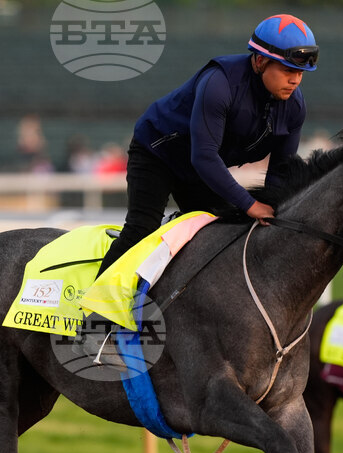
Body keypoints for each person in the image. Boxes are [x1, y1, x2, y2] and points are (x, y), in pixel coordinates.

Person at [95, 14, 319, 276]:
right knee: (141, 229)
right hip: (158, 152)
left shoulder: (295, 106)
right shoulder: (220, 83)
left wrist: (277, 213)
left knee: (220, 238)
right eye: (288, 70)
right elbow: (204, 157)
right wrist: (250, 204)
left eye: (301, 72)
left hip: (199, 169)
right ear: (260, 61)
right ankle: (91, 310)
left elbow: (281, 171)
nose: (296, 80)